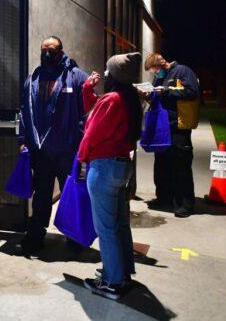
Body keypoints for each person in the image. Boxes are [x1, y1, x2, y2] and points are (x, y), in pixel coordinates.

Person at [78, 52, 143, 300]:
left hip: (104, 167)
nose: (104, 74)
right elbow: (96, 109)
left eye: (107, 70)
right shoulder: (128, 99)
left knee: (105, 228)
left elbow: (91, 133)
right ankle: (121, 273)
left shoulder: (112, 100)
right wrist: (87, 89)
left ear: (114, 75)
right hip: (120, 165)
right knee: (118, 224)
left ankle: (113, 282)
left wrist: (82, 159)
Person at [18, 36, 89, 254]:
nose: (47, 53)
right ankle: (35, 237)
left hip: (68, 151)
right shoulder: (34, 77)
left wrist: (81, 144)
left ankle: (74, 238)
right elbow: (24, 110)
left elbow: (87, 113)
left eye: (52, 49)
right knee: (41, 196)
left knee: (71, 195)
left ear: (61, 51)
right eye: (44, 49)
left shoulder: (76, 77)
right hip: (42, 151)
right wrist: (23, 139)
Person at [144, 53, 200, 218]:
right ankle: (164, 198)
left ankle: (185, 204)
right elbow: (157, 96)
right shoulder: (159, 79)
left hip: (178, 127)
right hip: (162, 127)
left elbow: (192, 92)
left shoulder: (182, 71)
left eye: (155, 70)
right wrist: (148, 94)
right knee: (162, 165)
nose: (155, 74)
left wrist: (167, 91)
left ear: (162, 64)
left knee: (180, 165)